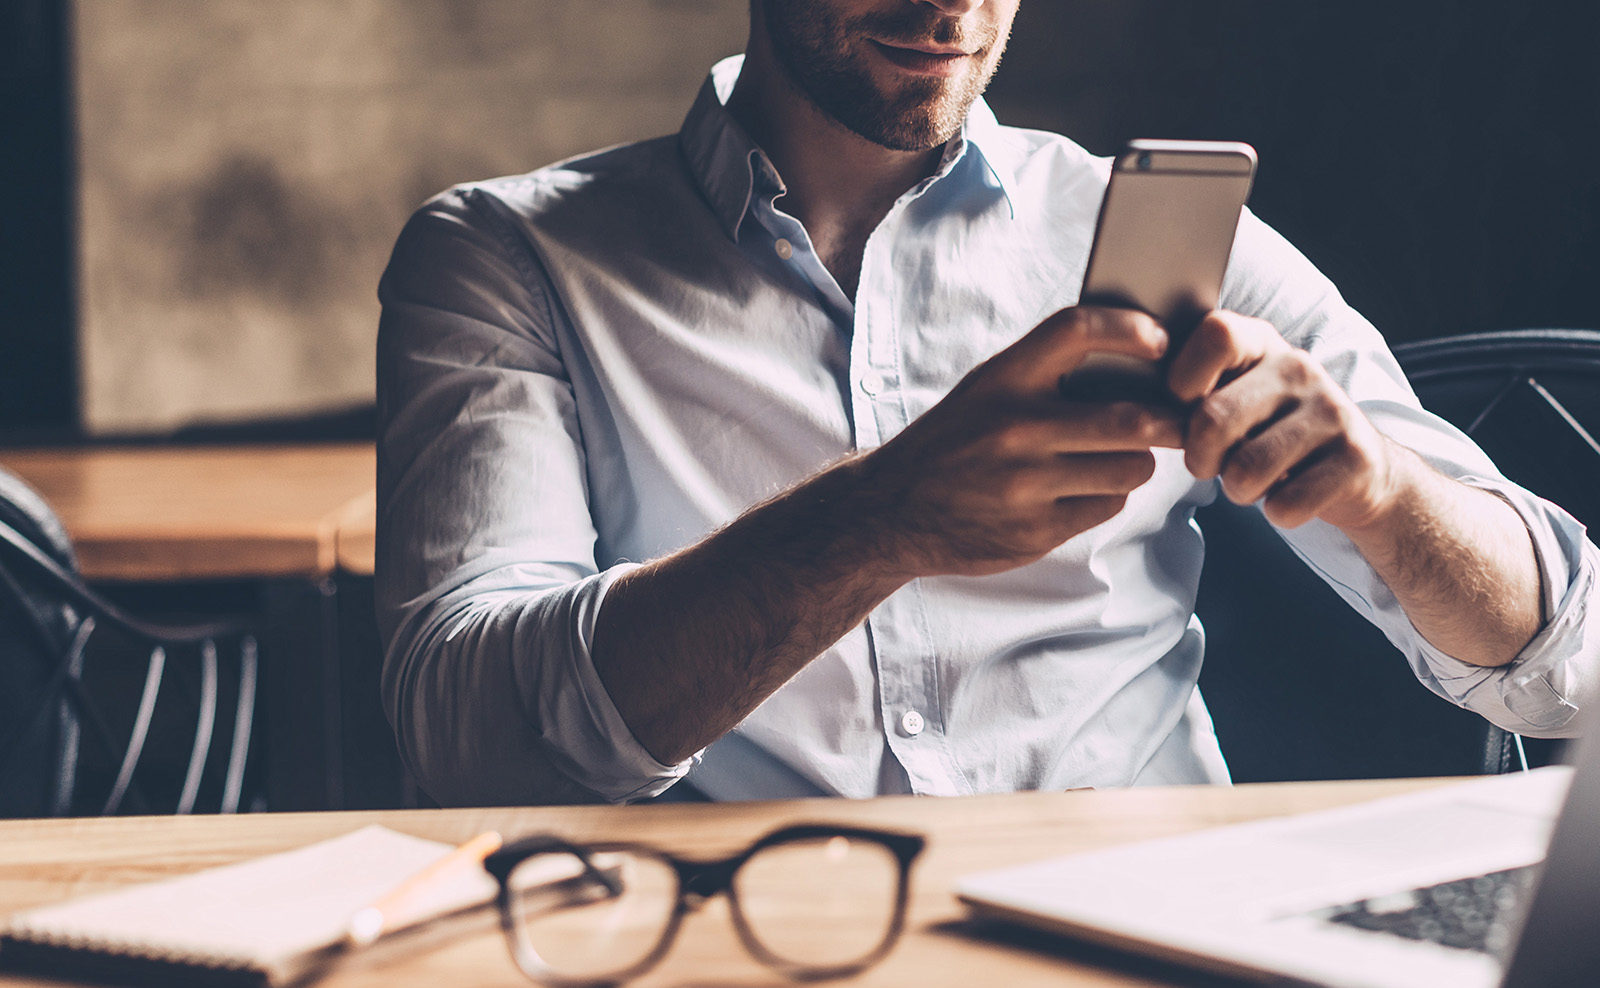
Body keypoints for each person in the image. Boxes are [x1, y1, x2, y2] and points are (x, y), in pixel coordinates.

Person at [375, 0, 1596, 806]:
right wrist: (877, 519)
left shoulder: (1173, 238)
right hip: (744, 947)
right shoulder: (505, 258)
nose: (950, 5)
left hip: (1159, 929)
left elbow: (1565, 667)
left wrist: (1384, 494)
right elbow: (465, 739)